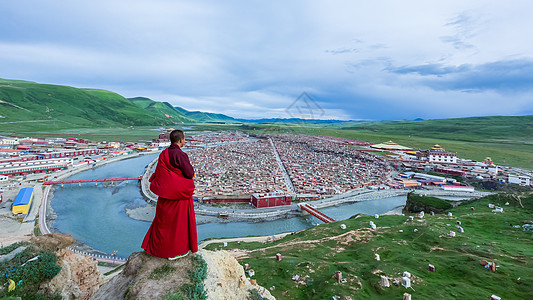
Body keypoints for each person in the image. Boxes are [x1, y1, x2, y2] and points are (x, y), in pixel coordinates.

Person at [141, 129, 198, 260]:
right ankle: (176, 251)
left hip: (165, 195)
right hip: (179, 196)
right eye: (184, 138)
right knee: (178, 225)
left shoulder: (163, 154)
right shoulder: (181, 155)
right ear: (181, 140)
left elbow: (160, 174)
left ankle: (157, 249)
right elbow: (189, 173)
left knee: (163, 223)